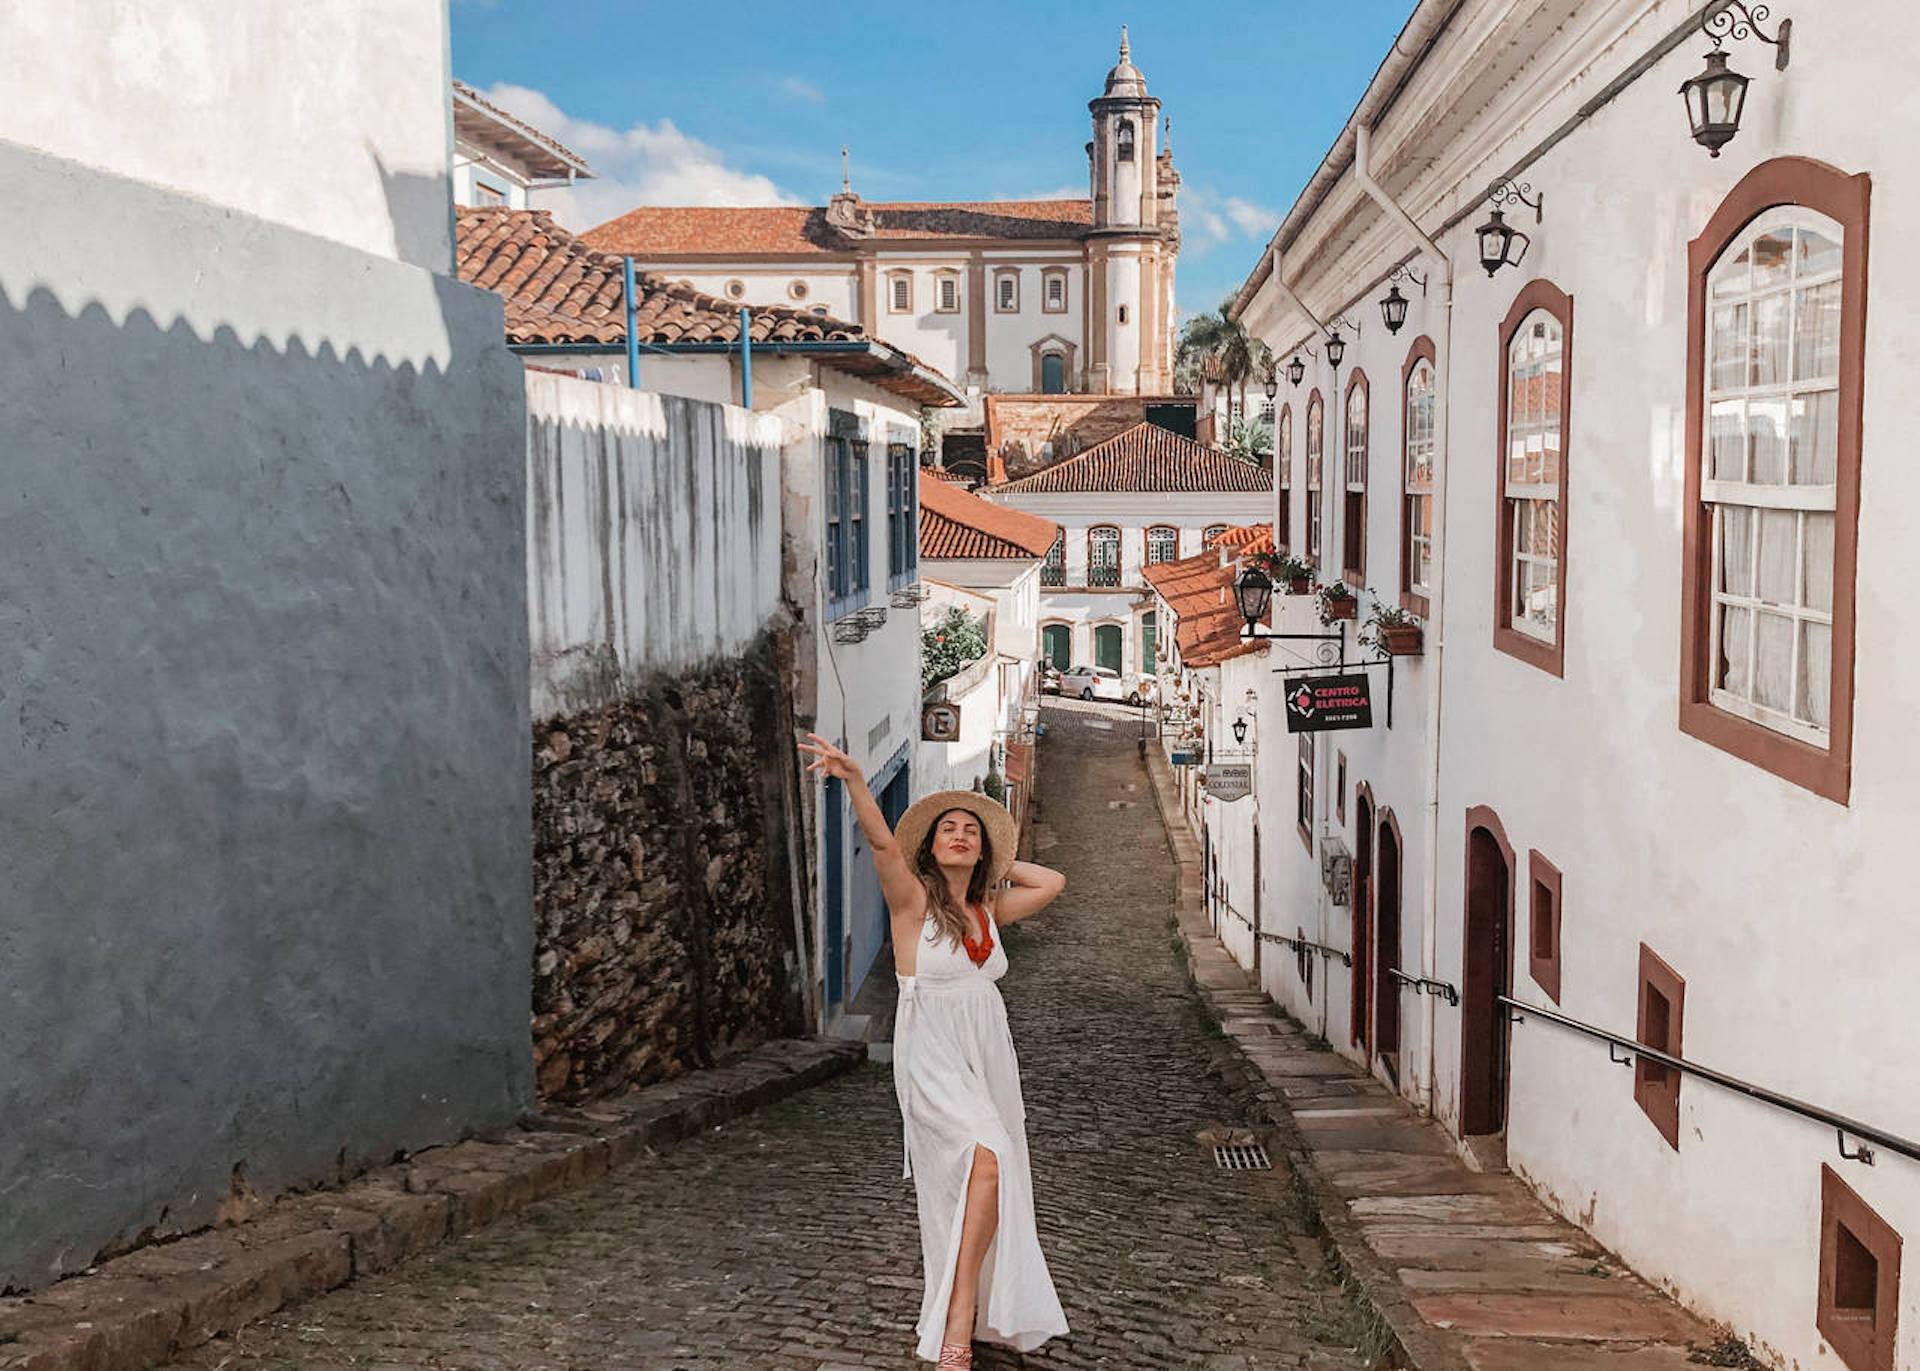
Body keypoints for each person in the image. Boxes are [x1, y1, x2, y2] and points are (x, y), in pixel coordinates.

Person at [798, 733, 1070, 1368]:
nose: (959, 835)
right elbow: (883, 845)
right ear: (930, 845)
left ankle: (967, 1312)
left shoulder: (990, 908)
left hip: (988, 1052)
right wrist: (857, 782)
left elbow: (1052, 880)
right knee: (990, 1159)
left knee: (983, 1178)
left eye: (971, 830)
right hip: (933, 1052)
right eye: (947, 828)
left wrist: (995, 866)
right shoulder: (911, 901)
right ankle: (956, 1320)